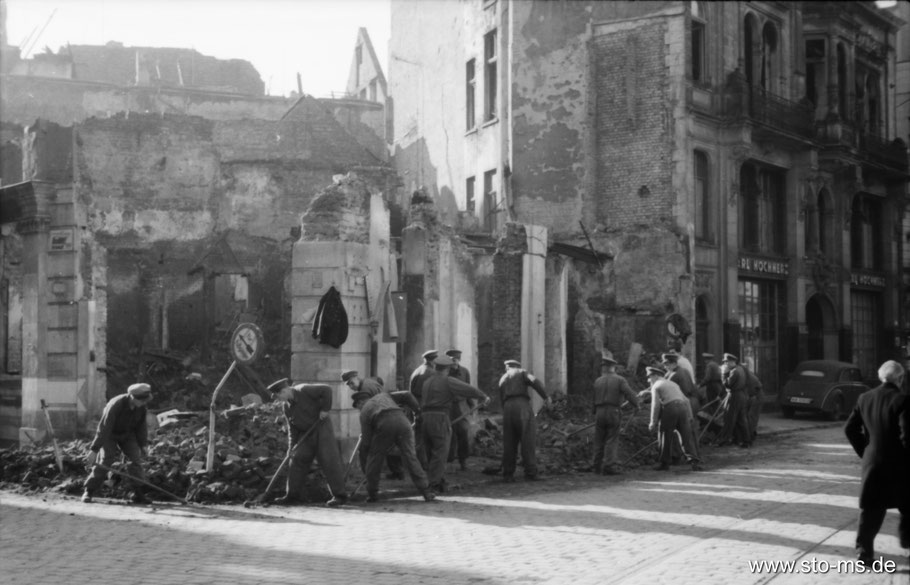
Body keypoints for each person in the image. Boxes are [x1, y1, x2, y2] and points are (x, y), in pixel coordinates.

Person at [844, 360, 910, 566]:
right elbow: (906, 435)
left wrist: (865, 451)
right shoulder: (903, 400)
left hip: (872, 463)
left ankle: (863, 553)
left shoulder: (865, 398)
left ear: (881, 377)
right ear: (899, 379)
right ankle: (906, 540)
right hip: (899, 465)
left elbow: (849, 429)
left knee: (871, 508)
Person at [350, 377, 436, 503]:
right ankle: (426, 492)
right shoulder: (385, 396)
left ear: (360, 403)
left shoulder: (364, 412)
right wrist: (417, 411)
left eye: (357, 406)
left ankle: (372, 493)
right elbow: (407, 394)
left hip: (384, 425)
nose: (358, 409)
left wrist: (366, 460)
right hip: (403, 422)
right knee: (411, 457)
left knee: (375, 459)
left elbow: (366, 442)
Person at [266, 378, 348, 507]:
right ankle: (292, 496)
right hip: (306, 435)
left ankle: (339, 496)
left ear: (284, 391)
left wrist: (325, 409)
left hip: (322, 430)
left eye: (278, 396)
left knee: (329, 460)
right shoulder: (286, 407)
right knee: (297, 459)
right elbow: (292, 428)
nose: (278, 399)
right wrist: (291, 447)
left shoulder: (303, 389)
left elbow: (327, 389)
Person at [421, 355, 490, 492]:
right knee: (441, 451)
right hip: (440, 417)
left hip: (425, 417)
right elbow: (467, 389)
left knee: (430, 450)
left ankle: (437, 479)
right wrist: (483, 396)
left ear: (436, 367)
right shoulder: (448, 381)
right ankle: (434, 484)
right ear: (447, 369)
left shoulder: (427, 382)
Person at [82, 383, 153, 504]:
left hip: (127, 434)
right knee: (106, 460)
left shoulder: (141, 408)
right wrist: (94, 450)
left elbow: (141, 428)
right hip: (110, 434)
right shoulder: (115, 405)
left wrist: (143, 445)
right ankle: (89, 490)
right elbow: (104, 428)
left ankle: (138, 494)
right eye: (141, 400)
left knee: (135, 460)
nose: (144, 403)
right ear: (132, 397)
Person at [343, 370, 405, 479]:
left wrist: (366, 430)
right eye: (349, 385)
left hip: (382, 420)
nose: (351, 387)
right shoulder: (369, 383)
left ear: (357, 378)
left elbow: (368, 411)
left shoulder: (365, 390)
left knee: (364, 449)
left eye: (352, 383)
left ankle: (369, 476)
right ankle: (397, 473)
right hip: (390, 416)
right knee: (390, 446)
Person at [498, 359, 552, 482]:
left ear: (507, 368)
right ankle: (531, 472)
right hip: (521, 406)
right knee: (528, 439)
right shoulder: (521, 372)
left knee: (509, 442)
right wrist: (546, 397)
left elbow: (502, 399)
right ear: (517, 366)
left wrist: (506, 411)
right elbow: (535, 381)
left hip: (507, 408)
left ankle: (508, 474)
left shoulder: (502, 379)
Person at [646, 367, 702, 471]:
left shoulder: (656, 386)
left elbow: (655, 405)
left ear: (655, 376)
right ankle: (694, 461)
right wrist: (690, 416)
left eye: (650, 377)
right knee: (686, 436)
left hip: (670, 408)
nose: (649, 381)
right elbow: (686, 400)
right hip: (683, 409)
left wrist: (652, 422)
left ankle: (664, 463)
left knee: (664, 435)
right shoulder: (673, 384)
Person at [591, 357, 640, 475]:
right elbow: (629, 393)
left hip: (599, 411)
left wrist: (594, 412)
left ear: (604, 368)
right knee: (611, 439)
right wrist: (636, 405)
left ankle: (596, 466)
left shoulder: (598, 381)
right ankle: (609, 466)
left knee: (599, 439)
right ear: (614, 368)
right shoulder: (619, 380)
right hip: (613, 411)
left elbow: (593, 398)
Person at [714, 353, 751, 448]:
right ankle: (746, 440)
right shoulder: (740, 369)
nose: (725, 364)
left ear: (731, 361)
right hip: (741, 395)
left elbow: (727, 384)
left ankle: (724, 440)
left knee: (729, 418)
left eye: (726, 362)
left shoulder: (734, 371)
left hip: (734, 396)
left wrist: (723, 375)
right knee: (742, 420)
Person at [445, 348, 474, 471]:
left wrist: (471, 404)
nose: (454, 362)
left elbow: (468, 388)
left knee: (463, 431)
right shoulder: (444, 372)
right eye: (452, 359)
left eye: (456, 359)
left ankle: (463, 460)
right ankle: (448, 460)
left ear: (459, 359)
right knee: (448, 432)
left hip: (461, 406)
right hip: (448, 406)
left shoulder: (465, 372)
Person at [409, 349, 438, 468]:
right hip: (424, 408)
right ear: (433, 360)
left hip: (417, 406)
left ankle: (421, 463)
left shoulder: (418, 370)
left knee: (419, 435)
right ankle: (423, 464)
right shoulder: (429, 372)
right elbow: (428, 393)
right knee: (424, 437)